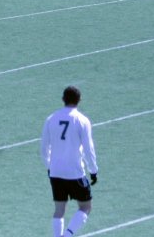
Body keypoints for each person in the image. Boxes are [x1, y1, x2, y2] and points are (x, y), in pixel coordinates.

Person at [40, 86, 98, 237]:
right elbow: (88, 149)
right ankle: (68, 235)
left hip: (56, 172)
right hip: (75, 172)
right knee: (85, 206)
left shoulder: (51, 118)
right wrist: (93, 171)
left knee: (59, 210)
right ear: (79, 100)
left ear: (63, 99)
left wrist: (49, 166)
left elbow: (44, 148)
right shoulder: (82, 120)